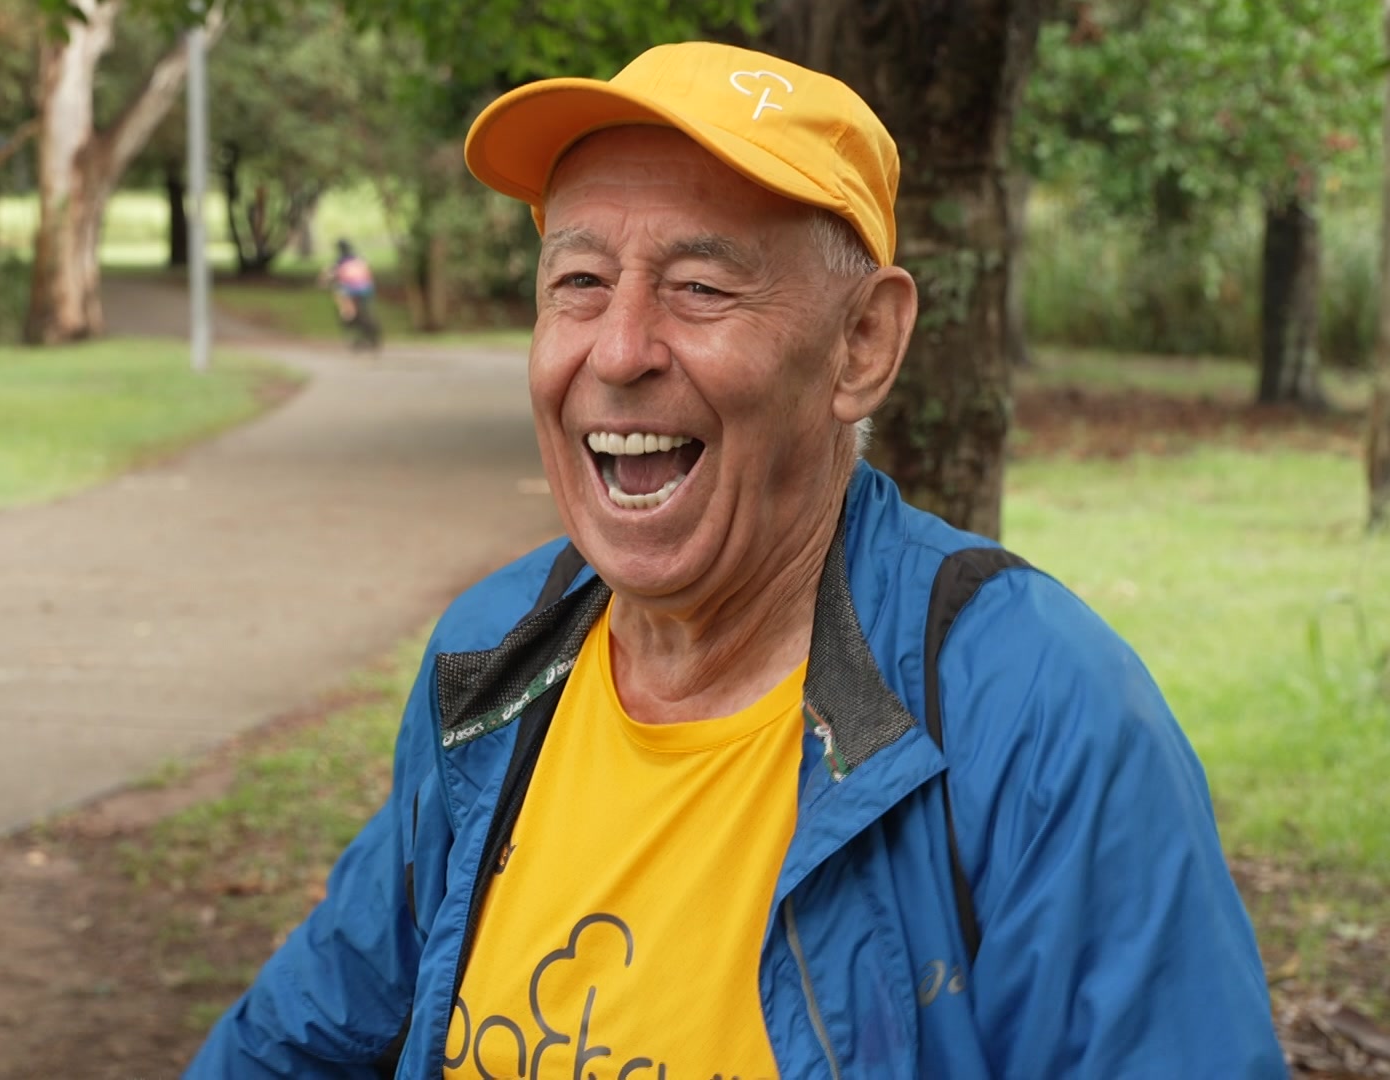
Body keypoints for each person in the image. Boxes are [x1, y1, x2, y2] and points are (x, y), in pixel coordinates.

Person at [191, 41, 1285, 1078]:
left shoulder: (1036, 713)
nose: (617, 352)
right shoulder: (494, 658)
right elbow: (303, 1033)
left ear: (863, 346)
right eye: (578, 282)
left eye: (700, 288)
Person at [322, 238, 383, 352]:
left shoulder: (339, 260)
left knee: (345, 309)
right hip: (367, 288)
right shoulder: (359, 258)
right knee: (367, 309)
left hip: (349, 290)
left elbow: (329, 274)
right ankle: (368, 332)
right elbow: (368, 271)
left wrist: (324, 282)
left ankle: (348, 319)